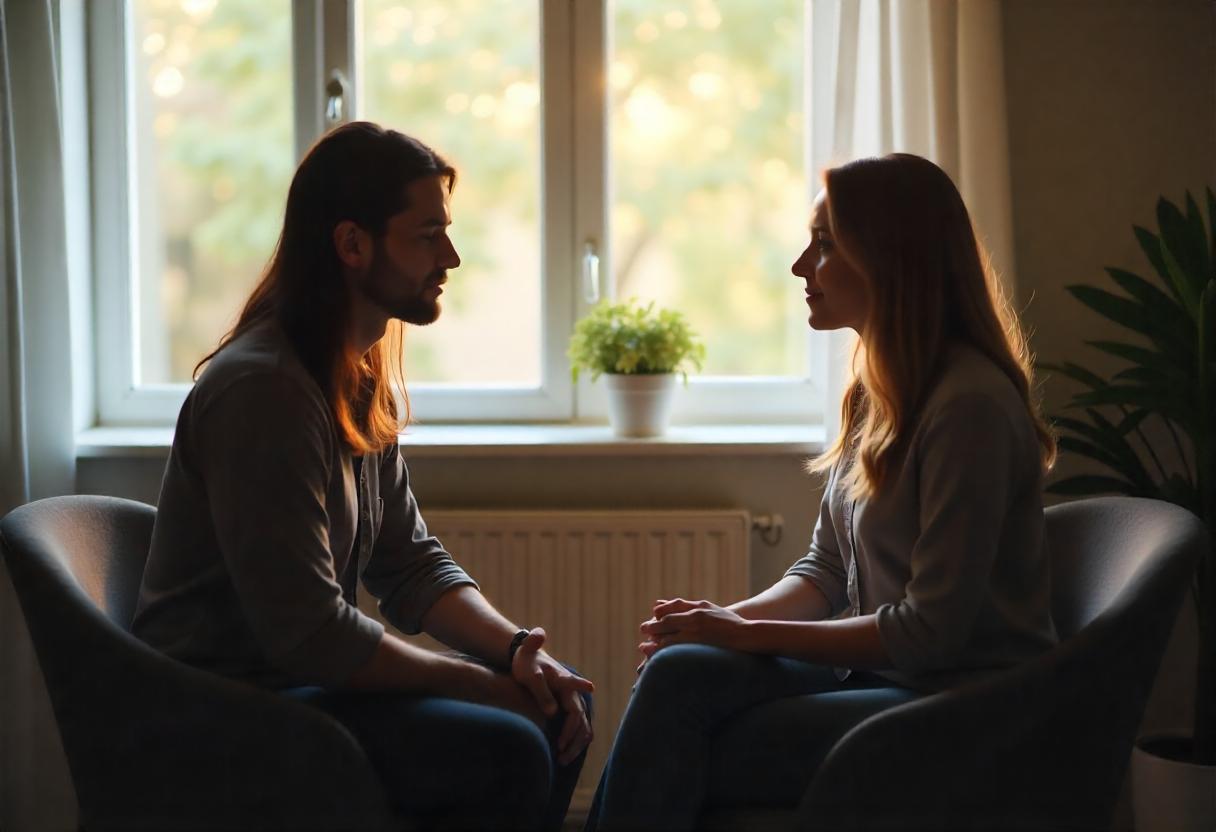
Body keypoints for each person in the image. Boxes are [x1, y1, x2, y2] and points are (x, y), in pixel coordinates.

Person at [133, 121, 593, 832]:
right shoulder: (265, 392)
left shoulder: (351, 374)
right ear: (352, 245)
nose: (452, 256)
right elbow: (310, 633)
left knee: (560, 703)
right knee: (508, 745)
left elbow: (409, 564)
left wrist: (516, 654)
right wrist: (482, 686)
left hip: (301, 689)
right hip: (230, 714)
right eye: (426, 235)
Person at [585, 153, 1059, 831]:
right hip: (884, 679)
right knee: (681, 667)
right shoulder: (881, 388)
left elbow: (930, 635)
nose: (801, 266)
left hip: (959, 702)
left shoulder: (969, 407)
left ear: (891, 259)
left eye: (826, 244)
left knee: (693, 719)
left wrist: (743, 637)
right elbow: (826, 570)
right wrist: (721, 627)